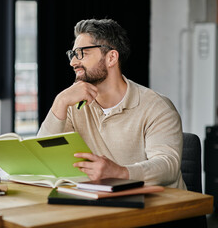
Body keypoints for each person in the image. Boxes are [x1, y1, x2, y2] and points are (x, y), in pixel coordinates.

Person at [37, 18, 186, 189]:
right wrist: (60, 102)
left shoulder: (157, 107)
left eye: (81, 53)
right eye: (72, 54)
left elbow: (168, 167)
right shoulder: (73, 105)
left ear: (111, 58)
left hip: (157, 208)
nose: (73, 62)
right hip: (100, 201)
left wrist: (120, 172)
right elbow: (43, 158)